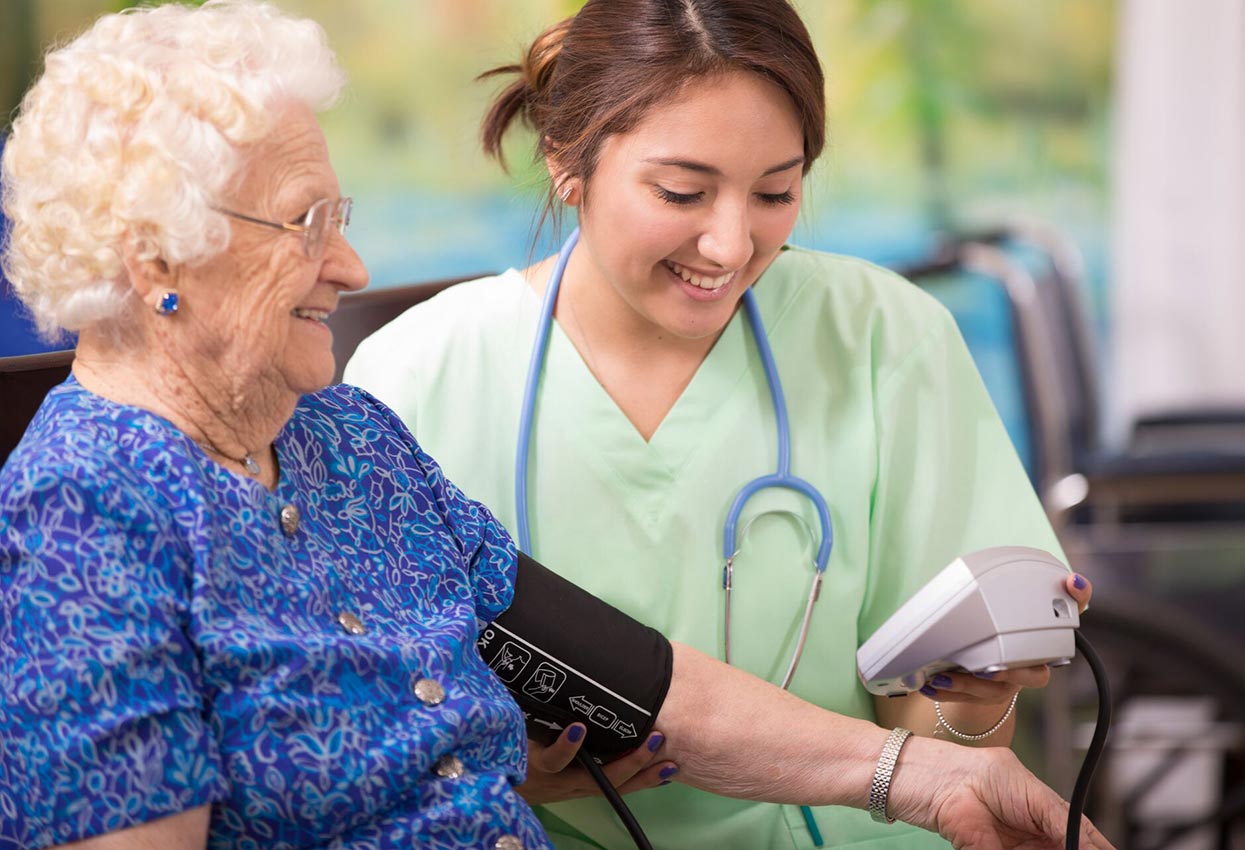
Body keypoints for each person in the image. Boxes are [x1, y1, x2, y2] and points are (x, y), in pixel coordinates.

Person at [0, 3, 1114, 850]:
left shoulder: (345, 443)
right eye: (308, 223)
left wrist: (928, 775)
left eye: (340, 217)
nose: (352, 264)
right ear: (155, 260)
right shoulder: (87, 519)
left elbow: (640, 680)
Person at [344, 1, 1095, 848]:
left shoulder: (884, 337)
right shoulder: (412, 375)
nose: (731, 245)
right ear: (566, 157)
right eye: (682, 191)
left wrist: (973, 703)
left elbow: (945, 751)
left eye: (777, 191)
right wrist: (500, 763)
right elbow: (374, 731)